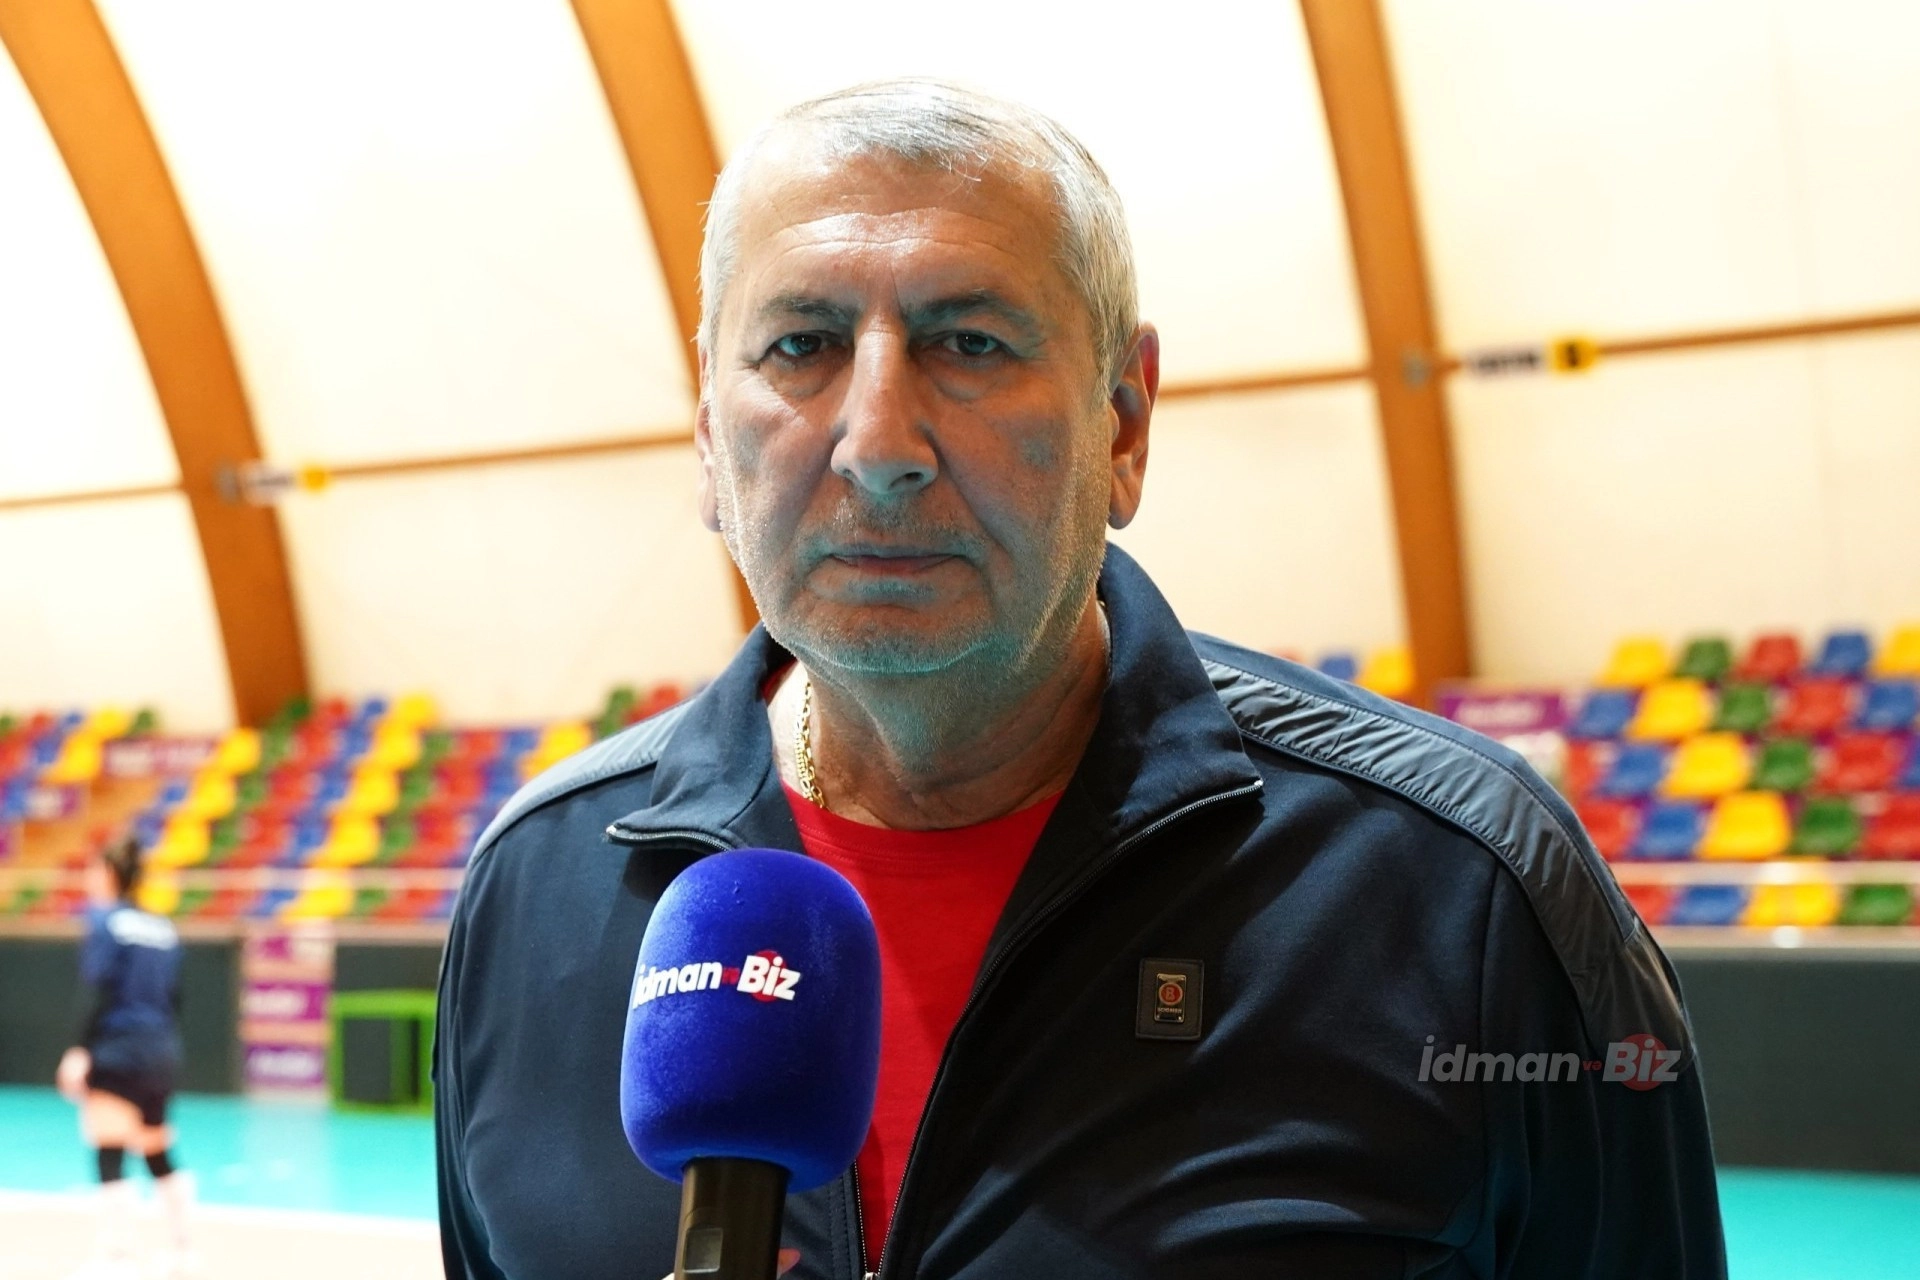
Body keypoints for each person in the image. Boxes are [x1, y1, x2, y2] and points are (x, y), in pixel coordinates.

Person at [436, 79, 1725, 1279]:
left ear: (1124, 424)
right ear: (711, 442)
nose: (877, 441)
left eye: (970, 342)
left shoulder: (1462, 891)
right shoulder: (537, 889)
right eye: (799, 345)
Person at [57, 837, 196, 1279]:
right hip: (160, 1049)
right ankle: (183, 1248)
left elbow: (97, 988)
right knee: (156, 1148)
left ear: (109, 875)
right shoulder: (163, 927)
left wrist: (80, 1048)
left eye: (93, 870)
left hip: (118, 1047)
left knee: (109, 1147)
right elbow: (175, 997)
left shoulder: (105, 921)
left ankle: (117, 1257)